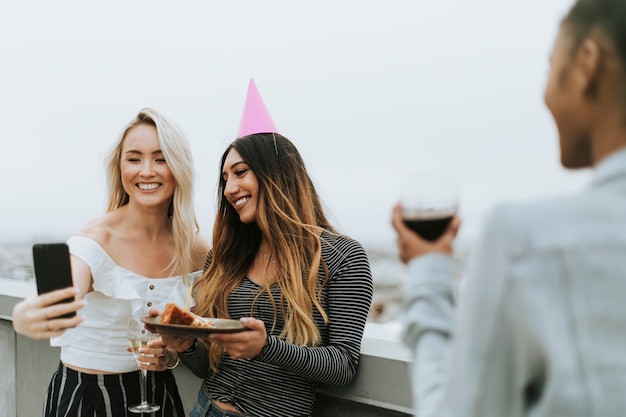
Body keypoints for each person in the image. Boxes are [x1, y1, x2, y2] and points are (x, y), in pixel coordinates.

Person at [391, 0, 626, 416]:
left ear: (589, 62)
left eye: (552, 65)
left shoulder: (527, 242)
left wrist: (429, 271)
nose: (546, 94)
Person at [157, 79, 374, 417]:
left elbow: (343, 366)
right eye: (225, 178)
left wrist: (266, 347)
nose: (229, 188)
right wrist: (185, 343)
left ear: (277, 175)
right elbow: (207, 366)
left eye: (240, 172)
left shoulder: (343, 257)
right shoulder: (226, 256)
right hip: (205, 409)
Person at [12, 108, 210, 417]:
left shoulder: (197, 248)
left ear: (179, 167)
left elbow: (199, 334)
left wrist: (170, 354)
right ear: (119, 168)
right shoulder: (93, 239)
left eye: (161, 158)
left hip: (158, 394)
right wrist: (26, 315)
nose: (147, 171)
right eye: (134, 159)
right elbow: (64, 296)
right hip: (88, 397)